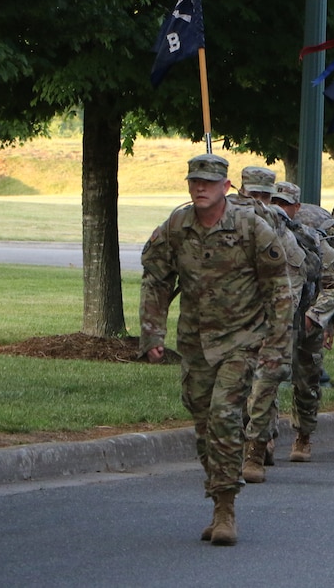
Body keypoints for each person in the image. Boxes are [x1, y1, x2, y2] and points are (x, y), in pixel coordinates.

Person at [140, 153, 295, 546]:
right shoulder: (177, 226)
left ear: (227, 187)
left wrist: (276, 344)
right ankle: (217, 491)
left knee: (225, 417)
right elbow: (156, 278)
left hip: (240, 340)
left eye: (208, 183)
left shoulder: (250, 227)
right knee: (203, 423)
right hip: (195, 342)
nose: (200, 188)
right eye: (195, 182)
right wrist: (152, 335)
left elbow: (279, 288)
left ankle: (225, 508)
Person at [231, 168, 310, 484]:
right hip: (234, 323)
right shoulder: (223, 225)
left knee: (263, 387)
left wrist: (280, 313)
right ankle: (247, 440)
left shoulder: (282, 232)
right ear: (241, 193)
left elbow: (297, 276)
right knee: (236, 390)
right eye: (254, 196)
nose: (260, 203)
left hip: (271, 323)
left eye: (266, 196)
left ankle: (254, 451)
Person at [269, 180, 334, 463]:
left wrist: (315, 316)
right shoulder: (258, 238)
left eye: (284, 204)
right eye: (273, 202)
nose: (277, 209)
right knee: (265, 381)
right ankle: (263, 439)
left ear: (296, 208)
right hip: (272, 325)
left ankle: (303, 435)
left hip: (306, 321)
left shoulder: (311, 239)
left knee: (306, 382)